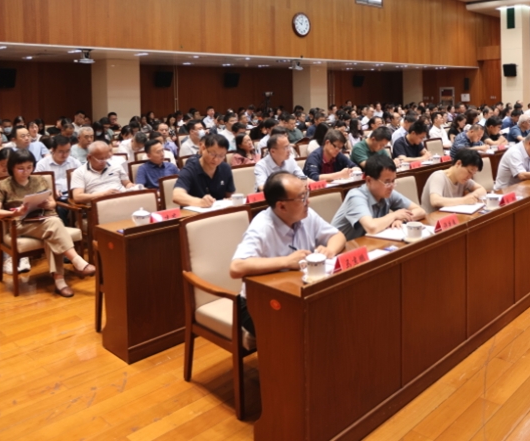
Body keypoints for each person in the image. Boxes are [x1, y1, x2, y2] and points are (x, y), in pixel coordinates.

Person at [229, 172, 346, 336]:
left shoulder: (306, 214)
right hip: (257, 303)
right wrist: (286, 261)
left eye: (306, 194)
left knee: (337, 313)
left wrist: (330, 250)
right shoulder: (262, 227)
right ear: (281, 206)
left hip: (298, 292)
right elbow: (236, 267)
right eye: (302, 198)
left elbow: (337, 236)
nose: (308, 201)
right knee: (309, 329)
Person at [0, 149, 94, 297]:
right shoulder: (3, 185)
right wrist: (15, 213)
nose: (25, 172)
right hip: (20, 224)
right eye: (20, 168)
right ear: (12, 168)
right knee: (54, 224)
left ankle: (60, 281)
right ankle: (77, 261)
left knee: (51, 232)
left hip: (43, 219)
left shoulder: (39, 180)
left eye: (29, 167)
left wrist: (47, 204)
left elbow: (52, 203)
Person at [331, 154, 426, 240]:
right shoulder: (356, 196)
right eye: (387, 182)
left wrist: (401, 219)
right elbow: (372, 227)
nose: (391, 186)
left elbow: (420, 211)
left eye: (393, 181)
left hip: (367, 243)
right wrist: (394, 215)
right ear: (369, 180)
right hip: (342, 249)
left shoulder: (388, 192)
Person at [172, 134, 235, 207]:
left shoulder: (225, 168)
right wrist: (200, 202)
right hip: (195, 212)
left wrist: (230, 200)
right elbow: (177, 196)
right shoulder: (190, 169)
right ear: (203, 148)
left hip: (218, 211)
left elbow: (229, 195)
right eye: (213, 154)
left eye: (221, 156)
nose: (216, 159)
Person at [420, 149, 487, 214]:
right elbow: (435, 201)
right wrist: (464, 200)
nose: (470, 177)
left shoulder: (462, 179)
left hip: (450, 216)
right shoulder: (438, 176)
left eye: (472, 174)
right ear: (458, 163)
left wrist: (472, 196)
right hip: (432, 219)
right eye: (469, 172)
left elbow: (482, 189)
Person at [70, 141, 134, 204]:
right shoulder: (80, 172)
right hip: (100, 204)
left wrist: (132, 187)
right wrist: (103, 194)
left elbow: (127, 183)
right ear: (89, 157)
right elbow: (77, 197)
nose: (104, 162)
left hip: (123, 199)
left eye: (106, 158)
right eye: (100, 159)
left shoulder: (116, 165)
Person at [35, 135, 81, 204]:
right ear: (53, 150)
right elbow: (37, 183)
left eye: (67, 151)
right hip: (52, 197)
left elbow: (82, 179)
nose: (65, 155)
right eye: (61, 152)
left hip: (72, 195)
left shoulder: (75, 162)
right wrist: (51, 190)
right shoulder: (42, 164)